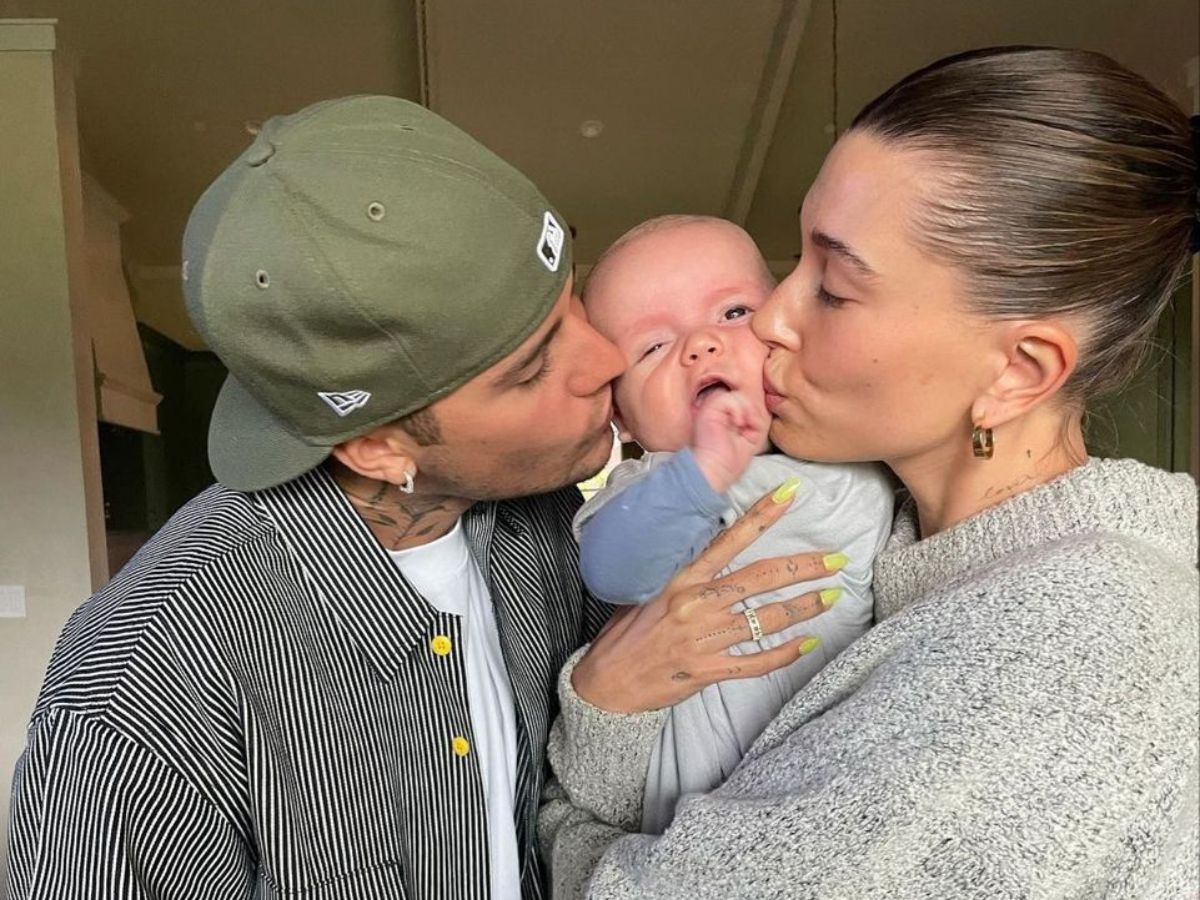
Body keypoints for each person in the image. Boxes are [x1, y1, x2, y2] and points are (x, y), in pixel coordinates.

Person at [6, 96, 828, 900]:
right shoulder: (136, 693)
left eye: (570, 305)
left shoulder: (543, 526)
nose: (606, 361)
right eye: (532, 368)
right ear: (379, 446)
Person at [539, 47, 1199, 899]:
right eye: (796, 264)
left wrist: (576, 804)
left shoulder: (1064, 651)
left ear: (1017, 372)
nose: (766, 322)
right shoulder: (927, 552)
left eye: (834, 288)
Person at [573, 214, 894, 833]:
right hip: (701, 818)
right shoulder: (655, 484)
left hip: (847, 787)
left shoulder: (855, 448)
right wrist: (704, 470)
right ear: (623, 421)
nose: (700, 345)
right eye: (653, 347)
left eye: (734, 313)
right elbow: (615, 569)